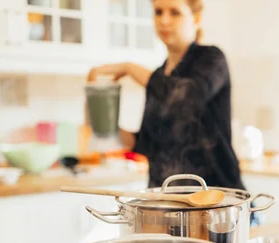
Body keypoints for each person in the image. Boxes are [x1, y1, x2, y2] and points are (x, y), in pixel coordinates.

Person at [86, 0, 247, 193]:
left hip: (216, 201)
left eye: (175, 13)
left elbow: (187, 95)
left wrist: (129, 68)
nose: (164, 20)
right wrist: (98, 112)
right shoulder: (160, 75)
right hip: (166, 201)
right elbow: (145, 143)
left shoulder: (212, 59)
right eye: (158, 12)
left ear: (196, 18)